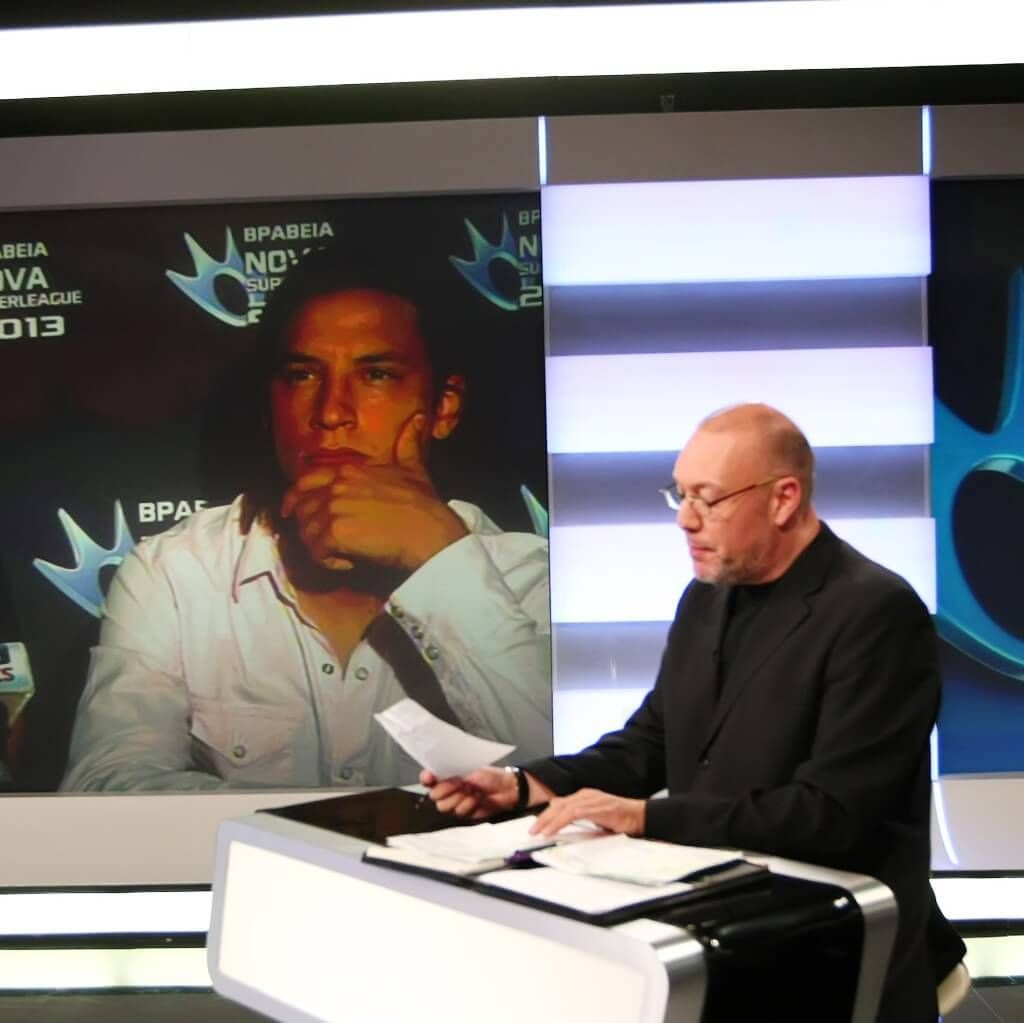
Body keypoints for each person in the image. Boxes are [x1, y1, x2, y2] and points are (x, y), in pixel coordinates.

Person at [423, 403, 964, 1023]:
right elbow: (651, 742)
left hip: (835, 949)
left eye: (708, 498)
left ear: (784, 498)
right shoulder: (706, 597)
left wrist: (644, 818)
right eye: (680, 495)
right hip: (724, 930)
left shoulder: (877, 613)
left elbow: (830, 816)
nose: (685, 519)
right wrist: (524, 785)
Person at [60, 236, 552, 791]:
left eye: (376, 375)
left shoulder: (533, 580)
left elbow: (579, 785)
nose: (332, 412)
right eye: (303, 375)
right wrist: (345, 828)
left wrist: (438, 558)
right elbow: (107, 786)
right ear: (269, 405)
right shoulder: (177, 574)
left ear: (444, 406)